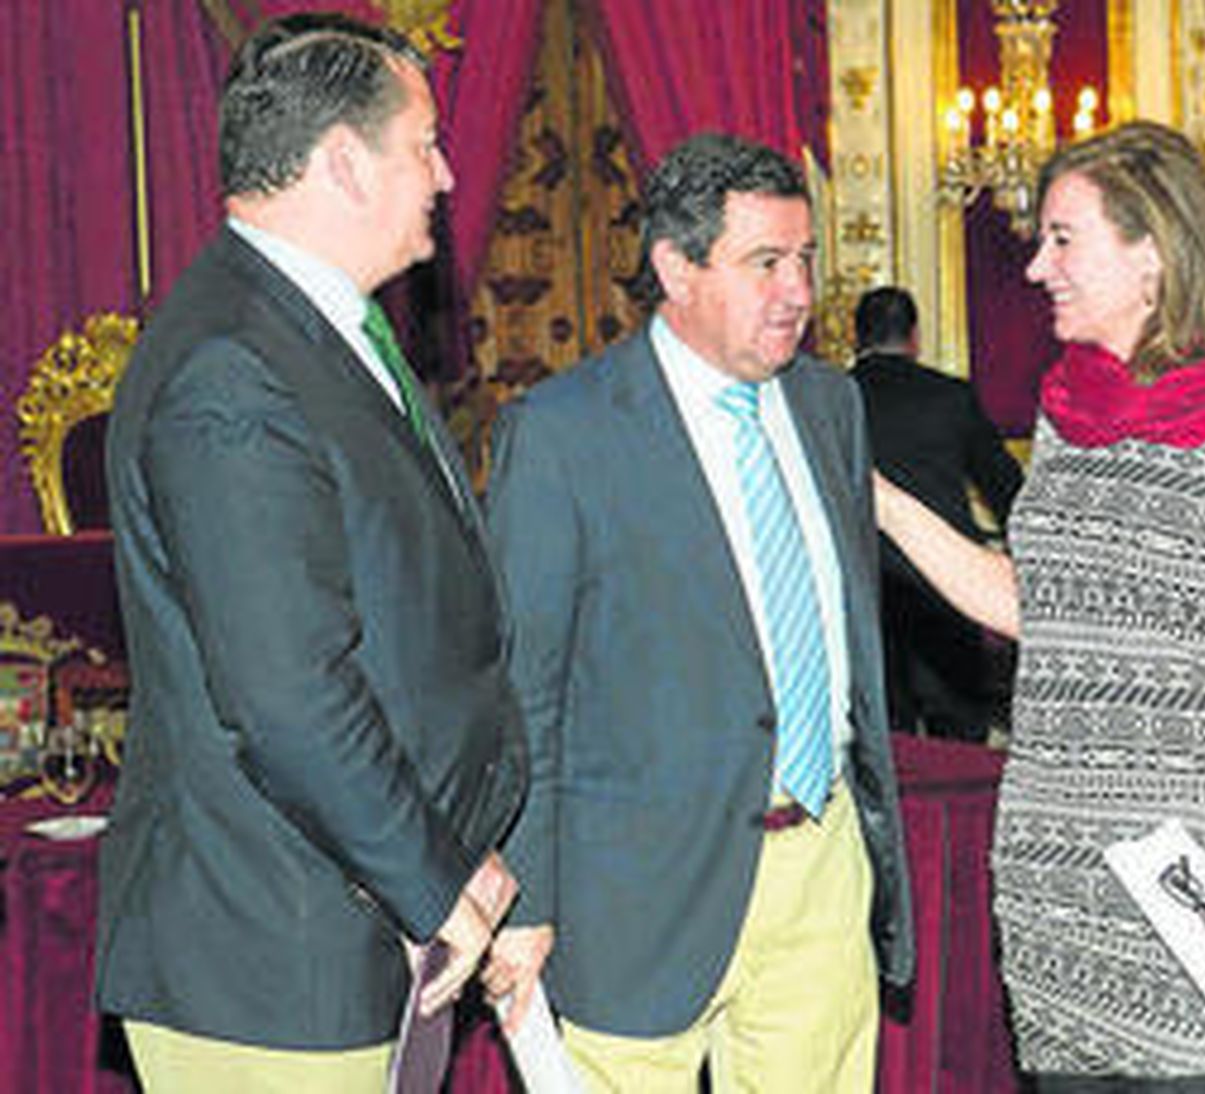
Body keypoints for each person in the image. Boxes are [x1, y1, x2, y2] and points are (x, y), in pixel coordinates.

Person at [874, 120, 1205, 1089]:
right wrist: (872, 494)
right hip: (1050, 851)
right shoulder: (1066, 411)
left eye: (1063, 238)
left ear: (1150, 252)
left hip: (1183, 857)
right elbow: (1024, 604)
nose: (1034, 268)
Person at [96, 14, 527, 1091]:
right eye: (424, 143)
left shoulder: (313, 328)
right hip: (274, 954)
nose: (444, 171)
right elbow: (291, 698)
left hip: (343, 924)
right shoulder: (233, 367)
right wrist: (436, 884)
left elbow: (402, 636)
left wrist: (461, 854)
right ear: (342, 160)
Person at [484, 133, 914, 1091]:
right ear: (675, 268)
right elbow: (524, 695)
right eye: (765, 263)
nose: (798, 292)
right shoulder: (562, 435)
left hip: (820, 865)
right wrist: (525, 898)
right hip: (634, 895)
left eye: (805, 260)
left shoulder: (831, 407)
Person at [851, 286, 1022, 741]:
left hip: (865, 595)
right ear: (914, 337)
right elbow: (1005, 489)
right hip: (948, 591)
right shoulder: (950, 397)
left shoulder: (833, 400)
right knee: (960, 749)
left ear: (856, 337)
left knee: (884, 750)